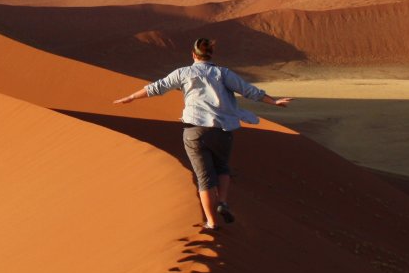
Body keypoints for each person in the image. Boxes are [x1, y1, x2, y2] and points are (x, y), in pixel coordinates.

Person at [113, 38, 292, 230]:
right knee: (222, 168)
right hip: (222, 131)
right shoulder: (223, 73)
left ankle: (211, 222)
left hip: (194, 131)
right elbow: (248, 91)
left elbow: (157, 87)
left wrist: (131, 97)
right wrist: (274, 102)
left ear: (193, 55)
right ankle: (222, 201)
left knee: (204, 177)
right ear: (210, 54)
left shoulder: (183, 73)